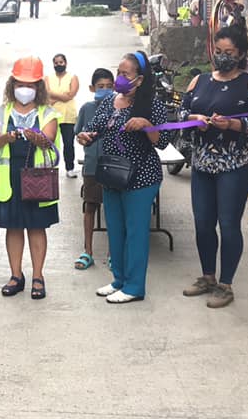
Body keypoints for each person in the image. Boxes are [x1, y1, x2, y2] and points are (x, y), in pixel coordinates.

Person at [179, 26, 248, 308]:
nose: (222, 57)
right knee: (203, 223)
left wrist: (232, 124)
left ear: (240, 53)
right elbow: (181, 114)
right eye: (218, 52)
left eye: (228, 53)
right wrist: (193, 117)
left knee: (228, 224)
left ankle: (226, 284)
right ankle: (207, 276)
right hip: (203, 162)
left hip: (235, 164)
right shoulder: (199, 81)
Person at [78, 51, 171, 304]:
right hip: (111, 175)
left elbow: (163, 141)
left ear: (139, 80)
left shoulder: (151, 105)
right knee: (115, 230)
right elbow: (94, 128)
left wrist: (145, 125)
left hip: (141, 178)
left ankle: (134, 286)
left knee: (136, 232)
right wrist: (85, 136)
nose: (119, 78)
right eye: (118, 72)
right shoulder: (110, 101)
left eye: (125, 74)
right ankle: (118, 279)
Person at [0, 57, 60, 300]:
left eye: (30, 84)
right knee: (14, 227)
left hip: (37, 178)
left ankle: (38, 276)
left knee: (37, 227)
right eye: (20, 83)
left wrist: (35, 137)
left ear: (38, 87)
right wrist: (5, 138)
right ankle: (16, 275)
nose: (24, 89)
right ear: (12, 84)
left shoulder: (48, 112)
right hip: (9, 179)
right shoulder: (1, 111)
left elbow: (48, 139)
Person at [73, 68, 115, 270]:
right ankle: (87, 251)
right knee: (90, 207)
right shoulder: (86, 109)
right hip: (92, 166)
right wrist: (83, 138)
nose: (105, 90)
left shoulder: (119, 107)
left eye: (109, 86)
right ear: (92, 88)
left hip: (114, 167)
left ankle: (112, 253)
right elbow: (78, 133)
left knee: (113, 210)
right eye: (100, 87)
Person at [46, 53, 80, 178]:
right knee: (50, 143)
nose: (58, 65)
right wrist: (63, 96)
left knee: (68, 143)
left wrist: (54, 97)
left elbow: (71, 94)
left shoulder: (73, 77)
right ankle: (50, 167)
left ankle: (69, 168)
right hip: (52, 117)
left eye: (61, 62)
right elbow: (46, 94)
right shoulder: (48, 78)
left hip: (68, 116)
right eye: (56, 63)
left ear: (65, 63)